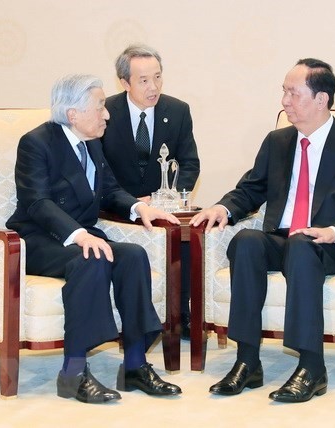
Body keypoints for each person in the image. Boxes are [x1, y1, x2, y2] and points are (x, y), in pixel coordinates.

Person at [190, 58, 335, 403]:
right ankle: (247, 362)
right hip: (283, 238)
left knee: (304, 245)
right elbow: (251, 190)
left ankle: (312, 366)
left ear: (321, 99)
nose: (285, 101)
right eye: (284, 92)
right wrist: (224, 207)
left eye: (293, 92)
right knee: (246, 241)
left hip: (328, 247)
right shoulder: (277, 142)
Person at [6, 74, 183, 404]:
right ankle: (72, 373)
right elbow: (37, 202)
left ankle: (134, 365)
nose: (107, 114)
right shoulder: (37, 143)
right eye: (100, 106)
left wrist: (138, 208)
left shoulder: (92, 143)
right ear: (73, 114)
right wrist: (79, 235)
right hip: (40, 238)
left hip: (82, 236)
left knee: (132, 255)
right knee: (92, 257)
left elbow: (110, 191)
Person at [102, 44, 200, 339]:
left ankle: (181, 314)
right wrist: (132, 202)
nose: (153, 87)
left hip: (163, 205)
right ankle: (136, 322)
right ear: (124, 83)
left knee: (187, 237)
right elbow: (100, 171)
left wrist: (164, 198)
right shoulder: (105, 112)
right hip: (117, 208)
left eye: (158, 77)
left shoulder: (178, 110)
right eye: (144, 80)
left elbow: (190, 164)